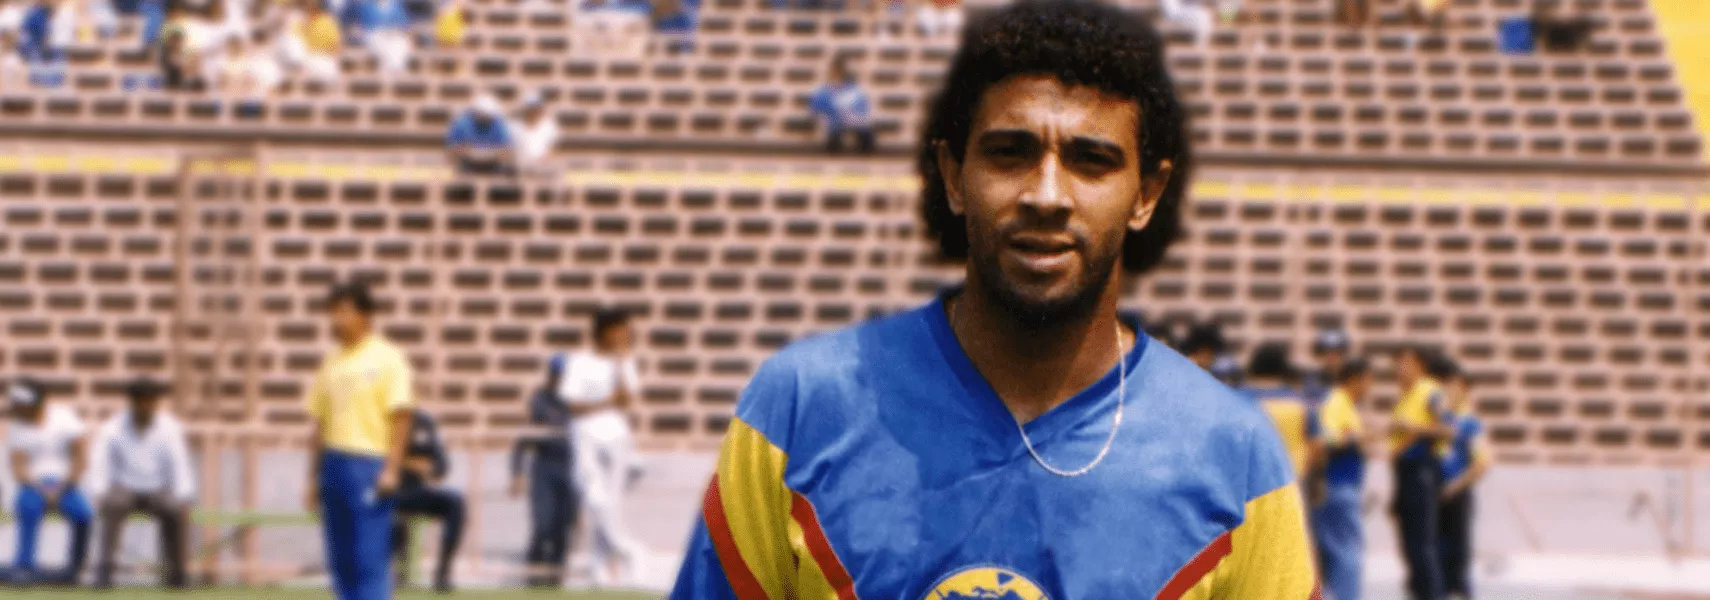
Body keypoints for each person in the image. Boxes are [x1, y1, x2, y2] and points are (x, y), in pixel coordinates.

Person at [673, 1, 1317, 597]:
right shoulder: (800, 407)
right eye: (1010, 153)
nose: (1047, 195)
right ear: (954, 176)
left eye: (1091, 161)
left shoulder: (1235, 455)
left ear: (1146, 194)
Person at [303, 282, 417, 600]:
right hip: (334, 465)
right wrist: (312, 478)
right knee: (340, 560)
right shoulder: (331, 362)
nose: (336, 320)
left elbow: (401, 416)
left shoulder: (388, 358)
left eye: (344, 312)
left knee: (368, 557)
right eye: (332, 313)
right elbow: (319, 424)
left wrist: (391, 469)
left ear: (365, 315)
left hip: (368, 465)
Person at [560, 308, 643, 588]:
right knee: (594, 498)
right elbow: (573, 405)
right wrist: (607, 402)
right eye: (618, 330)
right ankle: (629, 550)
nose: (623, 336)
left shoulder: (625, 362)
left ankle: (599, 569)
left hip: (616, 437)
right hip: (586, 438)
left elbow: (627, 400)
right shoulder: (580, 362)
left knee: (612, 503)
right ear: (603, 331)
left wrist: (619, 365)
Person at [88, 377, 196, 590]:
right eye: (141, 401)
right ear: (133, 402)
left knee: (175, 509)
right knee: (112, 504)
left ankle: (177, 573)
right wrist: (98, 491)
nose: (146, 406)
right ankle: (105, 570)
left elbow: (179, 463)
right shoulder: (112, 427)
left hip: (158, 488)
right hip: (124, 486)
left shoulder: (170, 427)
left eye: (150, 401)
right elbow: (100, 461)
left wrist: (184, 495)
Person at [6, 377, 94, 585]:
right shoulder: (17, 427)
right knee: (27, 507)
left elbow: (80, 457)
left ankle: (76, 567)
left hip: (67, 484)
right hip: (33, 485)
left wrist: (64, 486)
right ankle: (25, 567)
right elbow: (19, 467)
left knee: (83, 515)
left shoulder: (65, 419)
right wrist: (41, 488)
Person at [1389, 344, 1454, 600]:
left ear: (1420, 365)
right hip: (1404, 471)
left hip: (1422, 469)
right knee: (1408, 541)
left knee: (1422, 541)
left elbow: (1447, 428)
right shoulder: (1406, 395)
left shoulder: (1430, 392)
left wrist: (1412, 428)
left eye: (1405, 362)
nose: (1399, 368)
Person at [508, 357, 579, 589]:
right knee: (542, 524)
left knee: (563, 526)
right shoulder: (539, 401)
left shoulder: (578, 401)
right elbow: (523, 439)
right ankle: (534, 575)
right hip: (544, 467)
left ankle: (555, 578)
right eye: (557, 374)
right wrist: (517, 473)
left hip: (571, 467)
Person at [1314, 358, 1374, 600]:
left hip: (1342, 484)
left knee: (1334, 549)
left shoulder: (1345, 405)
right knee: (1346, 549)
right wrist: (1357, 438)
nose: (1370, 387)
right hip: (1338, 485)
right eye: (1368, 380)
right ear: (1355, 380)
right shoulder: (1337, 403)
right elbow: (1327, 440)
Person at [388, 408, 465, 593]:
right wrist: (406, 464)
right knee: (389, 512)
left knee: (455, 502)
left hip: (415, 490)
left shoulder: (424, 422)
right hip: (387, 490)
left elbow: (442, 466)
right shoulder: (382, 417)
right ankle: (391, 571)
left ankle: (443, 572)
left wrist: (428, 469)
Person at [1434, 358, 1489, 600]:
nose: (1446, 390)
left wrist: (1455, 486)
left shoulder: (1469, 424)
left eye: (1452, 385)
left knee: (1457, 554)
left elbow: (1482, 463)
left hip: (1456, 496)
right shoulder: (1440, 420)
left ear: (1464, 388)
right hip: (1435, 494)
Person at [1240, 342, 1319, 483]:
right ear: (1285, 370)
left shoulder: (1234, 400)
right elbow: (1316, 447)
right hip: (1290, 484)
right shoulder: (1302, 404)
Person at [808, 56, 874, 155]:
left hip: (854, 121)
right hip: (834, 125)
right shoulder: (824, 91)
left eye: (839, 72)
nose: (836, 75)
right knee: (833, 138)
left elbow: (862, 109)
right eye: (835, 72)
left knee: (866, 134)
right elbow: (816, 110)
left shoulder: (854, 90)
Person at [445, 94, 515, 176]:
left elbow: (507, 151)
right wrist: (465, 151)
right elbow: (452, 151)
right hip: (466, 167)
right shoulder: (462, 124)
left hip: (494, 167)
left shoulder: (498, 124)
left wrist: (493, 154)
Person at [511, 92, 559, 175]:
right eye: (530, 108)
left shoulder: (549, 126)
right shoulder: (515, 126)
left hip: (543, 168)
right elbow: (512, 150)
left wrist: (542, 162)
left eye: (535, 108)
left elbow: (552, 149)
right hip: (521, 168)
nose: (533, 112)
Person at [1302, 328, 1351, 405]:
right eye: (1326, 353)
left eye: (1336, 352)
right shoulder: (1310, 381)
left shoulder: (1351, 380)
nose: (1331, 357)